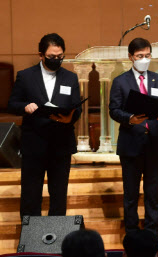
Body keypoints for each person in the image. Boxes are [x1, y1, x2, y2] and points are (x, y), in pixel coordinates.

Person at [8, 33, 81, 217]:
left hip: (61, 144)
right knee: (31, 195)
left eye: (60, 57)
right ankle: (30, 241)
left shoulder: (70, 78)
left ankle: (56, 242)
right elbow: (12, 104)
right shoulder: (25, 76)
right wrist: (25, 106)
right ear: (41, 55)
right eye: (51, 57)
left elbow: (76, 108)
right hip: (34, 143)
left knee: (58, 196)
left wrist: (69, 118)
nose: (56, 60)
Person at [109, 38, 158, 245]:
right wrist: (129, 118)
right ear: (130, 57)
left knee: (153, 192)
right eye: (139, 56)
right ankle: (132, 234)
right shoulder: (120, 81)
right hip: (131, 143)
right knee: (131, 193)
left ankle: (152, 233)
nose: (144, 60)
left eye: (147, 56)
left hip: (154, 143)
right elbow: (114, 110)